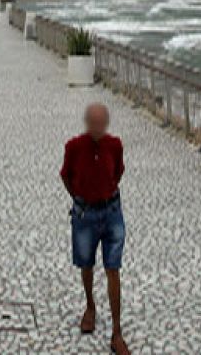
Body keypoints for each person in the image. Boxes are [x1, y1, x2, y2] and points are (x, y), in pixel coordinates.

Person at [60, 102, 130, 354]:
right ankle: (90, 306)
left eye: (102, 122)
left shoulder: (115, 145)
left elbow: (118, 172)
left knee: (114, 269)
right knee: (86, 263)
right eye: (94, 123)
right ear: (88, 123)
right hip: (85, 214)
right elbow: (65, 175)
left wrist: (104, 192)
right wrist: (81, 198)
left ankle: (117, 332)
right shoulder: (74, 147)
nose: (99, 127)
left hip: (112, 212)